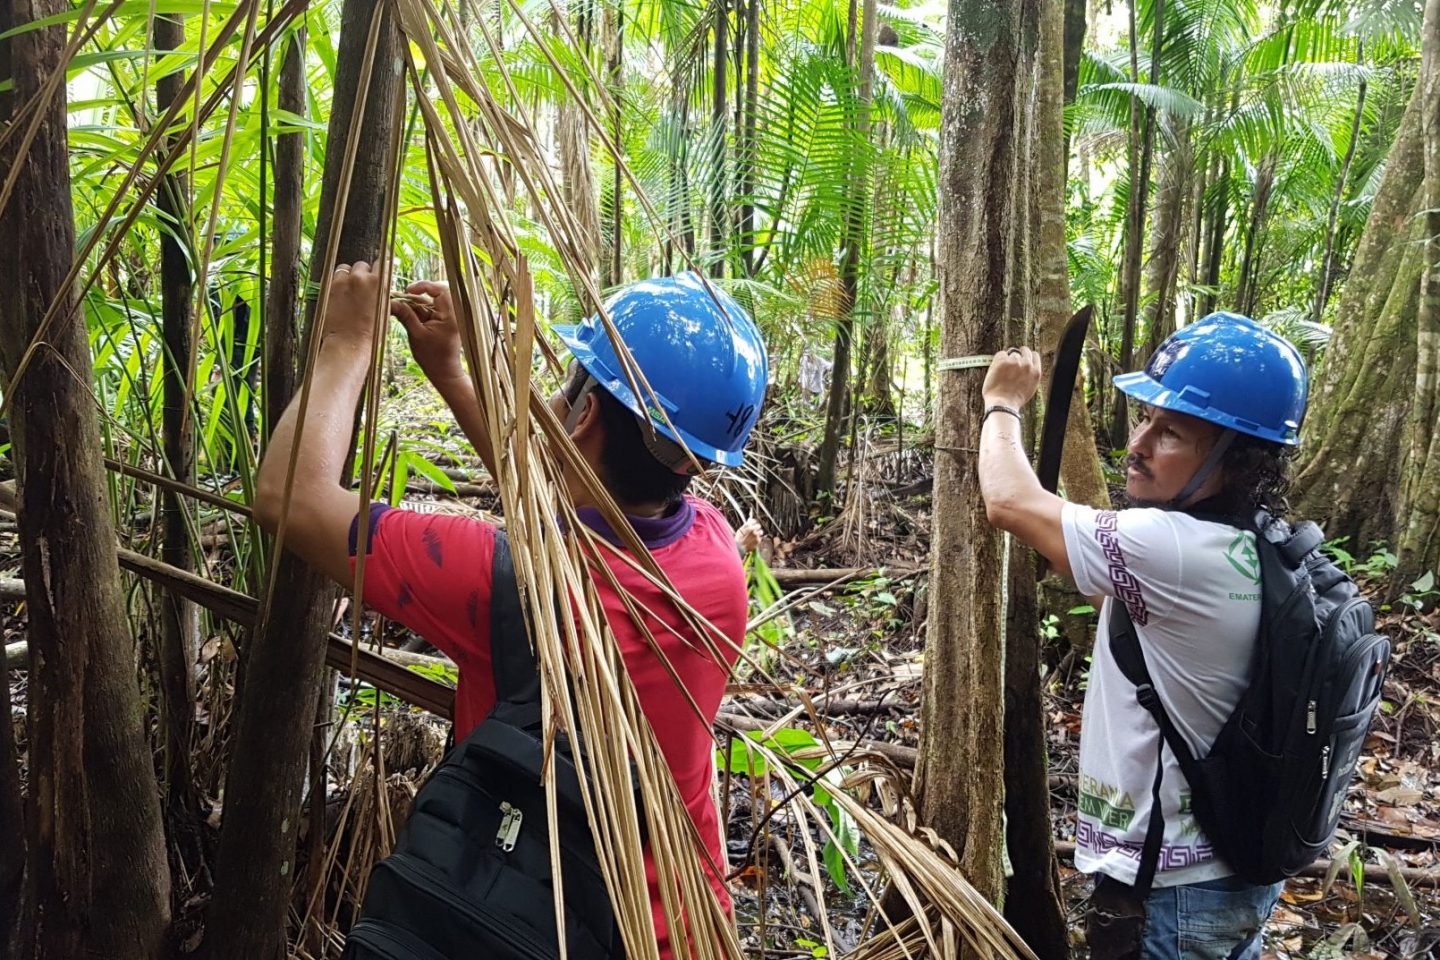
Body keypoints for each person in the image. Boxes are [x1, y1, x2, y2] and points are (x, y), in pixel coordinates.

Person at [253, 264, 768, 958]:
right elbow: (557, 491)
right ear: (692, 462)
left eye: (568, 386)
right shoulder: (716, 568)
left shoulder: (495, 582)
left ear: (585, 413)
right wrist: (452, 374)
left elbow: (292, 500)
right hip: (679, 933)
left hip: (535, 927)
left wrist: (344, 344)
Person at [977, 313, 1308, 959]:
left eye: (1172, 432)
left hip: (1171, 895)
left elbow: (1009, 503)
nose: (1140, 442)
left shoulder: (1174, 547)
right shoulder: (1258, 543)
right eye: (1146, 419)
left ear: (1235, 460)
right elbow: (1110, 588)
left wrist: (1001, 402)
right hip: (1230, 877)